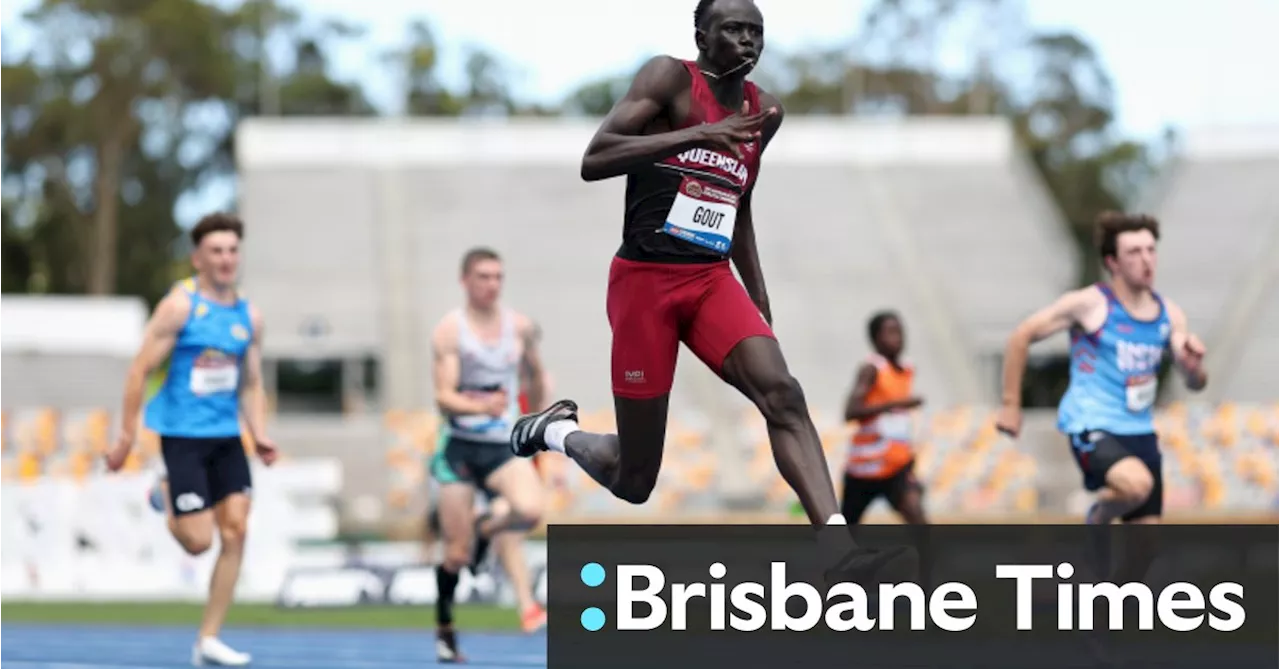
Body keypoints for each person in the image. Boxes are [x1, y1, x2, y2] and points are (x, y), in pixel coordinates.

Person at [508, 0, 905, 580]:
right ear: (701, 35)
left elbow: (737, 203)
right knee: (635, 480)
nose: (748, 41)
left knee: (783, 394)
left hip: (709, 278)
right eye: (734, 30)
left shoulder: (765, 110)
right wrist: (699, 132)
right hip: (645, 284)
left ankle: (838, 549)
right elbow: (595, 158)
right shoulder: (668, 78)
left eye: (757, 32)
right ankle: (556, 431)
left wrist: (758, 294)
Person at [107, 213, 277, 667]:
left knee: (237, 530)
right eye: (216, 251)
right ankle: (163, 494)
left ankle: (209, 638)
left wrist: (259, 433)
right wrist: (125, 436)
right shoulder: (180, 307)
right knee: (199, 541)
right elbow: (139, 369)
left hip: (226, 437)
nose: (226, 259)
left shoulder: (249, 317)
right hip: (182, 436)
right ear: (197, 258)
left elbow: (251, 383)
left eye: (232, 250)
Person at [996, 211, 1207, 532]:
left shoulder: (1170, 314)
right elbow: (1020, 336)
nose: (1146, 259)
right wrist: (1011, 404)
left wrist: (1193, 368)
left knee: (1144, 554)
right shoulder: (1090, 305)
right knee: (1137, 485)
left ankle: (1107, 582)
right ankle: (1100, 514)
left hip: (1140, 431)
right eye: (1134, 253)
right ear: (1113, 263)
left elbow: (1194, 381)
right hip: (1093, 423)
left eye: (1151, 250)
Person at [430, 247, 549, 662]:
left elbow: (536, 377)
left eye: (497, 276)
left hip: (502, 444)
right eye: (483, 276)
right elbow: (443, 397)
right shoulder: (450, 330)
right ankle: (445, 628)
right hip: (460, 448)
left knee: (532, 509)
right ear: (465, 281)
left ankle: (487, 526)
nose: (492, 285)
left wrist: (539, 421)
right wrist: (481, 407)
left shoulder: (518, 328)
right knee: (455, 555)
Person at [841, 311, 928, 526]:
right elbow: (850, 411)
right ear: (875, 339)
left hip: (896, 466)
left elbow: (899, 423)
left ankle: (929, 561)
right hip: (864, 469)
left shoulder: (907, 369)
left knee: (918, 518)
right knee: (844, 531)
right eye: (890, 332)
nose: (897, 338)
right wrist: (896, 405)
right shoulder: (871, 368)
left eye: (899, 332)